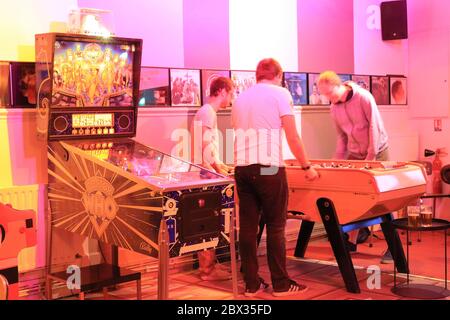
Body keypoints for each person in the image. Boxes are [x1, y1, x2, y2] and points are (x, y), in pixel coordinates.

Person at [232, 58, 319, 297]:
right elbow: (292, 136)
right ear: (279, 75)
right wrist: (306, 166)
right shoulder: (280, 94)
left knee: (248, 227)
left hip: (242, 168)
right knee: (276, 226)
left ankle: (251, 283)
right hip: (269, 167)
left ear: (257, 74)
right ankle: (281, 284)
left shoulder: (240, 97)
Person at [316, 70, 393, 264]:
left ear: (338, 85)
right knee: (353, 195)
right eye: (324, 95)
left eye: (329, 93)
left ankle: (393, 248)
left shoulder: (364, 98)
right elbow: (342, 138)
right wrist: (337, 162)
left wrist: (370, 158)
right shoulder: (333, 108)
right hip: (355, 153)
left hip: (377, 151)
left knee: (384, 199)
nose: (328, 98)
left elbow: (374, 127)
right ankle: (351, 242)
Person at [191, 76, 235, 281]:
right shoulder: (208, 112)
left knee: (208, 220)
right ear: (223, 91)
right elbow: (205, 145)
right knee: (209, 220)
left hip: (206, 169)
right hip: (206, 172)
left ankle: (209, 267)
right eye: (231, 93)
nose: (232, 98)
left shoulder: (205, 111)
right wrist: (218, 168)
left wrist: (220, 164)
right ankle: (207, 270)